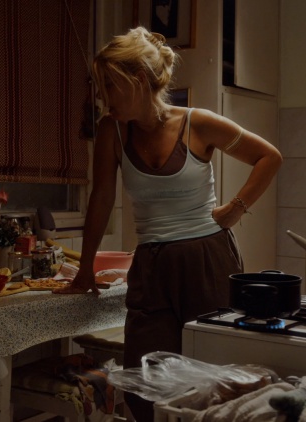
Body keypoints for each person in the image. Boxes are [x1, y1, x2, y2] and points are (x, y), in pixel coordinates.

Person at [54, 27, 282, 420]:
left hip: (207, 260)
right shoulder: (111, 130)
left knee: (214, 377)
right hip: (152, 266)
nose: (103, 97)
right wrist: (86, 267)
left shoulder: (198, 123)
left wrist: (236, 208)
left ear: (140, 80)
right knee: (146, 384)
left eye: (110, 85)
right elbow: (101, 198)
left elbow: (269, 157)